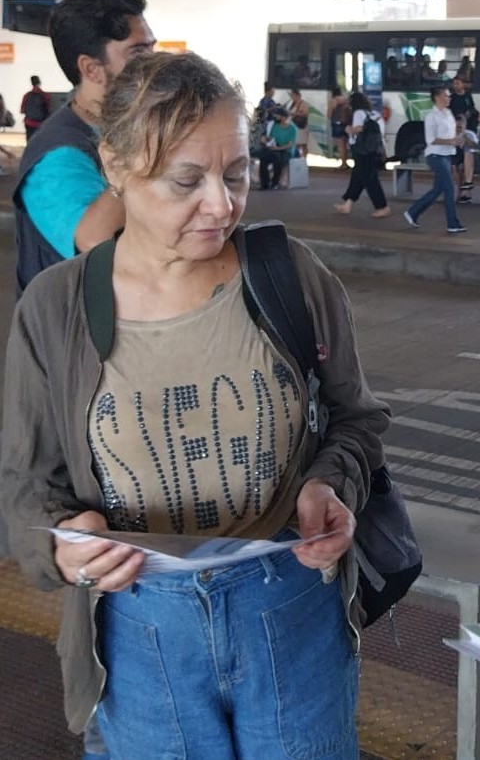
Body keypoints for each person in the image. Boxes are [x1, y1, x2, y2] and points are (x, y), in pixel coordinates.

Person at [0, 50, 391, 760]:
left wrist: (332, 483)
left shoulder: (289, 277)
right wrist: (62, 543)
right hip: (139, 631)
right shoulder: (55, 308)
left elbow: (356, 419)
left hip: (292, 607)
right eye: (188, 180)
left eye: (236, 174)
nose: (223, 203)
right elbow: (24, 486)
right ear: (115, 167)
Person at [13, 0, 156, 298]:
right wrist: (154, 148)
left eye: (152, 48)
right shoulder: (57, 154)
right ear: (92, 69)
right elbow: (95, 239)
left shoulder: (122, 128)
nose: (153, 63)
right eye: (138, 53)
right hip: (74, 337)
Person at [403, 84, 466, 233]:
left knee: (438, 189)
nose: (448, 98)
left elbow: (450, 134)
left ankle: (413, 212)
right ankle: (452, 223)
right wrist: (450, 141)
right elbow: (430, 139)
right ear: (437, 97)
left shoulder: (449, 113)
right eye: (446, 95)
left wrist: (457, 139)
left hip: (446, 155)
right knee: (449, 189)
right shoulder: (431, 116)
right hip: (435, 155)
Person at [335, 91, 390, 218]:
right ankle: (347, 204)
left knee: (370, 180)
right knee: (357, 178)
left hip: (362, 151)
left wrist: (349, 129)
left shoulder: (359, 113)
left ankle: (382, 206)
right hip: (375, 150)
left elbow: (359, 128)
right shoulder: (376, 114)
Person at [259, 108, 296, 190]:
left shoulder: (292, 129)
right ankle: (265, 184)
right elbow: (272, 138)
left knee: (277, 159)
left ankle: (274, 183)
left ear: (283, 117)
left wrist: (277, 148)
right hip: (275, 148)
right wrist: (266, 139)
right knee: (263, 159)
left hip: (285, 150)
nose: (275, 117)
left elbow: (289, 145)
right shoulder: (275, 126)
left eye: (277, 115)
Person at [20, 74, 51, 141]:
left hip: (29, 123)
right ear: (40, 82)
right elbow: (49, 110)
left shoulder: (27, 95)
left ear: (31, 83)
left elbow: (22, 110)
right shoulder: (45, 95)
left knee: (29, 142)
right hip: (41, 124)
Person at [328, 85, 350, 168]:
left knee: (340, 145)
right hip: (346, 124)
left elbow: (329, 114)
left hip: (337, 123)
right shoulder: (345, 100)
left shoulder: (333, 100)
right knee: (345, 144)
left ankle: (343, 163)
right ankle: (346, 162)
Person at [287, 88, 310, 158]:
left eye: (293, 95)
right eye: (291, 96)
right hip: (293, 126)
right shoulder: (292, 104)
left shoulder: (303, 103)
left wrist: (293, 113)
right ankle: (297, 159)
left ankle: (304, 160)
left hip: (301, 126)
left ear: (297, 95)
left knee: (303, 144)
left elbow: (305, 113)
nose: (291, 97)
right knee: (296, 144)